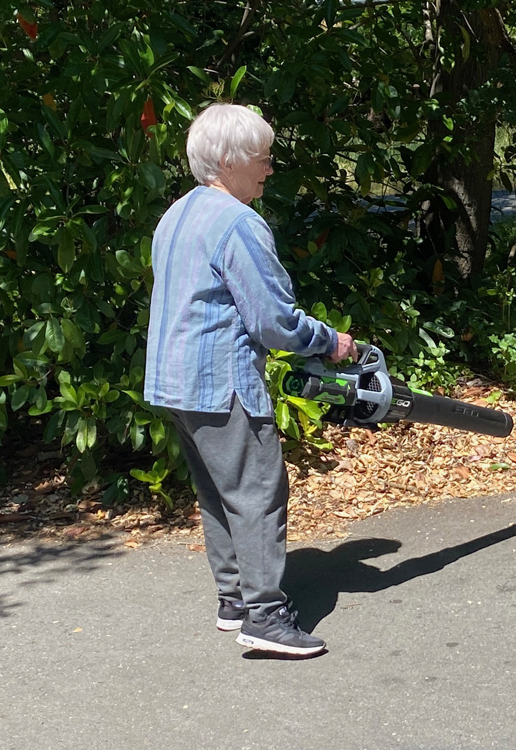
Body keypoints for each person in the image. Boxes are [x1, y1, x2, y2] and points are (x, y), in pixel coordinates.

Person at [144, 103, 356, 657]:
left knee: (218, 491)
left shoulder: (177, 214)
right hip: (221, 380)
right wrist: (330, 341)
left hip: (172, 381)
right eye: (262, 158)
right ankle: (264, 616)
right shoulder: (239, 224)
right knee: (258, 492)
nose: (268, 167)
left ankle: (234, 598)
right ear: (230, 161)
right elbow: (274, 323)